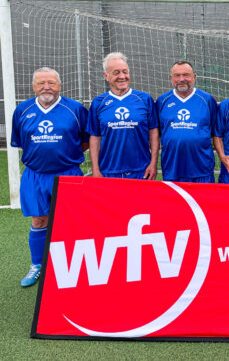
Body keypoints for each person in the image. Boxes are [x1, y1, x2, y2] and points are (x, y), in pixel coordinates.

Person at [11, 68, 88, 287]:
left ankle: (74, 266)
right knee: (39, 220)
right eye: (41, 83)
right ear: (33, 86)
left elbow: (85, 141)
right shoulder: (22, 110)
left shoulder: (75, 109)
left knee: (72, 221)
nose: (47, 87)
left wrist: (63, 158)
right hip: (35, 176)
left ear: (59, 85)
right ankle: (37, 265)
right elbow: (21, 142)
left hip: (68, 173)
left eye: (52, 83)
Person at [87, 52, 158, 179]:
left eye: (125, 72)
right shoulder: (98, 102)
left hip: (141, 171)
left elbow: (153, 132)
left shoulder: (144, 99)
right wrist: (95, 170)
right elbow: (95, 137)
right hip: (108, 172)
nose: (122, 76)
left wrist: (153, 163)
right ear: (106, 76)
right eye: (116, 73)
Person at [155, 61, 218, 182]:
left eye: (186, 75)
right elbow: (157, 132)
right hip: (172, 168)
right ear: (171, 78)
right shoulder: (162, 101)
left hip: (202, 168)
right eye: (177, 75)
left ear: (194, 77)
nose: (181, 79)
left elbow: (215, 131)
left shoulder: (207, 100)